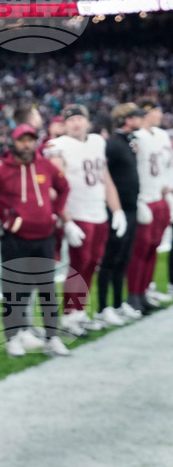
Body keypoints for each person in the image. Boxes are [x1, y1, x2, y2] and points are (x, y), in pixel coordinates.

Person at [0, 124, 72, 357]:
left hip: (44, 236)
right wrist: (1, 213)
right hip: (15, 238)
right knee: (13, 289)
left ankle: (52, 338)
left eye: (30, 140)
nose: (27, 145)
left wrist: (55, 213)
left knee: (47, 289)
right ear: (14, 142)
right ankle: (13, 338)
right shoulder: (1, 170)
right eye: (22, 140)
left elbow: (64, 187)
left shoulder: (45, 165)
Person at [45, 104, 127, 334]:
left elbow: (105, 177)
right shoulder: (58, 146)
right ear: (64, 123)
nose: (76, 123)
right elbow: (55, 186)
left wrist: (117, 209)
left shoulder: (97, 142)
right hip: (77, 212)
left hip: (98, 211)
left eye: (80, 118)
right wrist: (67, 220)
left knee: (92, 263)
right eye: (71, 119)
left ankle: (79, 311)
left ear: (88, 121)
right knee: (78, 266)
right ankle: (69, 316)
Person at [128, 99, 173, 310]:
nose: (161, 114)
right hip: (144, 198)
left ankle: (145, 290)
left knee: (154, 246)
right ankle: (134, 294)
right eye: (157, 110)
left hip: (159, 196)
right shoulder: (137, 137)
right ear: (147, 113)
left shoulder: (163, 135)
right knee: (141, 249)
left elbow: (166, 165)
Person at [99, 103, 143, 321]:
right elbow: (104, 173)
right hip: (118, 209)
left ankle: (118, 303)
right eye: (136, 116)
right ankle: (102, 307)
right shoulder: (113, 144)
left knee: (123, 258)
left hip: (131, 206)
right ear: (127, 119)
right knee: (110, 259)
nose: (140, 120)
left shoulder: (128, 141)